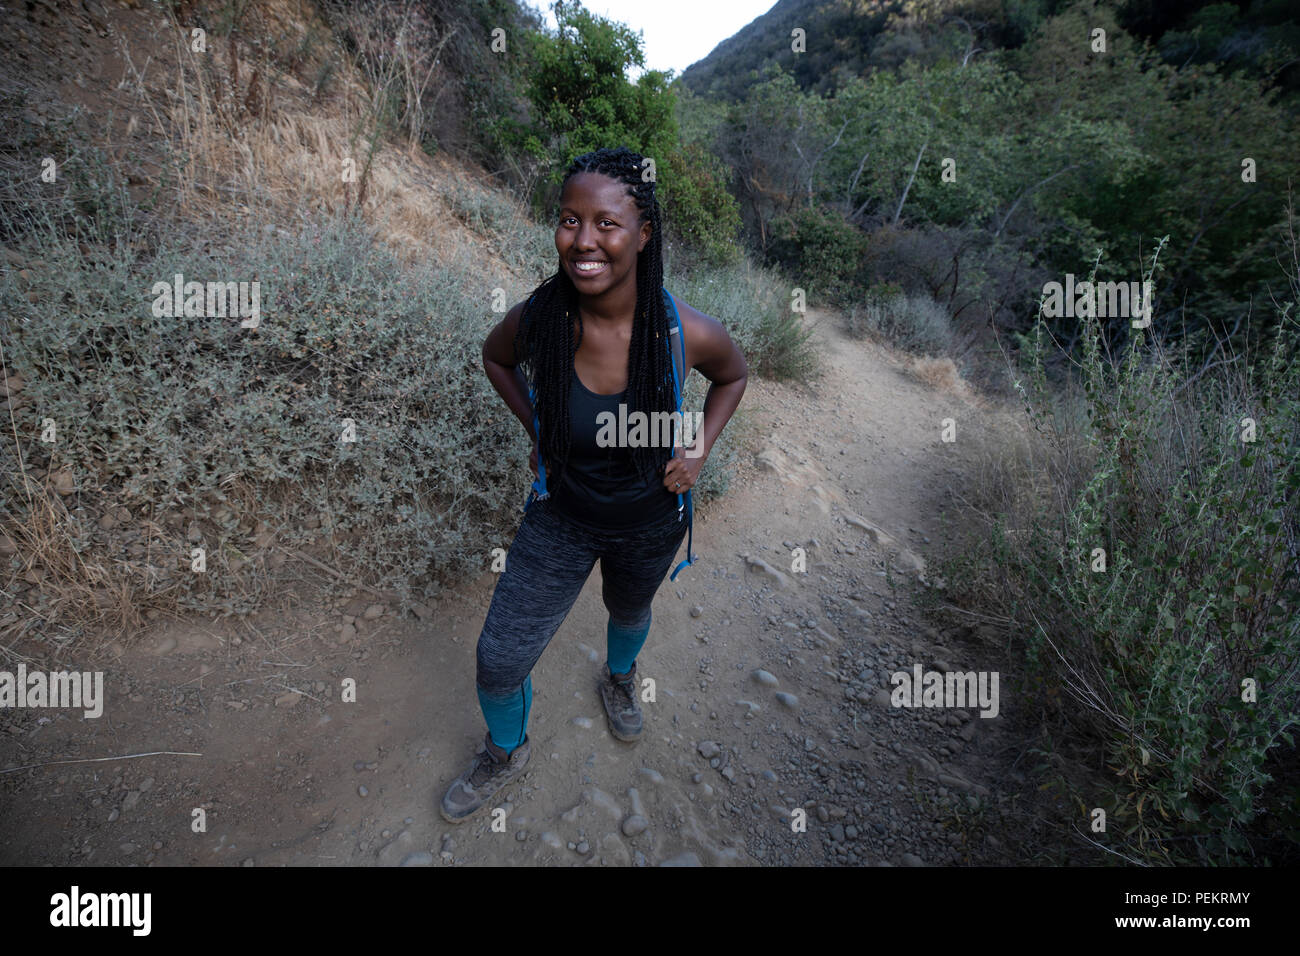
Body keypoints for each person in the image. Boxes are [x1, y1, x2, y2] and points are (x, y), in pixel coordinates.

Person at [439, 146, 748, 823]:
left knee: (629, 610)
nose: (583, 241)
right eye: (569, 220)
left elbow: (735, 376)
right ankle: (504, 750)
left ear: (643, 235)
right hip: (560, 516)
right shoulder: (544, 318)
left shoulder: (683, 331)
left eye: (606, 224)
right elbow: (495, 360)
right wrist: (537, 429)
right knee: (498, 658)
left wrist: (697, 450)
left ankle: (618, 677)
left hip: (650, 519)